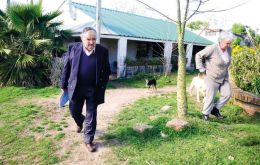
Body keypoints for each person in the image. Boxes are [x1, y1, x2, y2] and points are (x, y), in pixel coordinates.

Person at [60, 27, 111, 152]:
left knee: (91, 115)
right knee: (74, 111)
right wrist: (63, 86)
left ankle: (88, 140)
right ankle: (80, 121)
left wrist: (102, 85)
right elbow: (66, 68)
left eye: (94, 39)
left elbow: (107, 71)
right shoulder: (73, 48)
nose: (91, 42)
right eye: (88, 39)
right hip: (76, 88)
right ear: (82, 39)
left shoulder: (102, 51)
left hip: (93, 89)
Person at [195, 31, 234, 121]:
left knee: (227, 94)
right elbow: (198, 55)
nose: (228, 45)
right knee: (210, 96)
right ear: (220, 41)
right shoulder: (212, 48)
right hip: (211, 76)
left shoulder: (229, 49)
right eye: (227, 43)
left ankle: (215, 109)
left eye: (230, 43)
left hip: (224, 76)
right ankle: (205, 114)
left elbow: (226, 62)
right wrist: (202, 69)